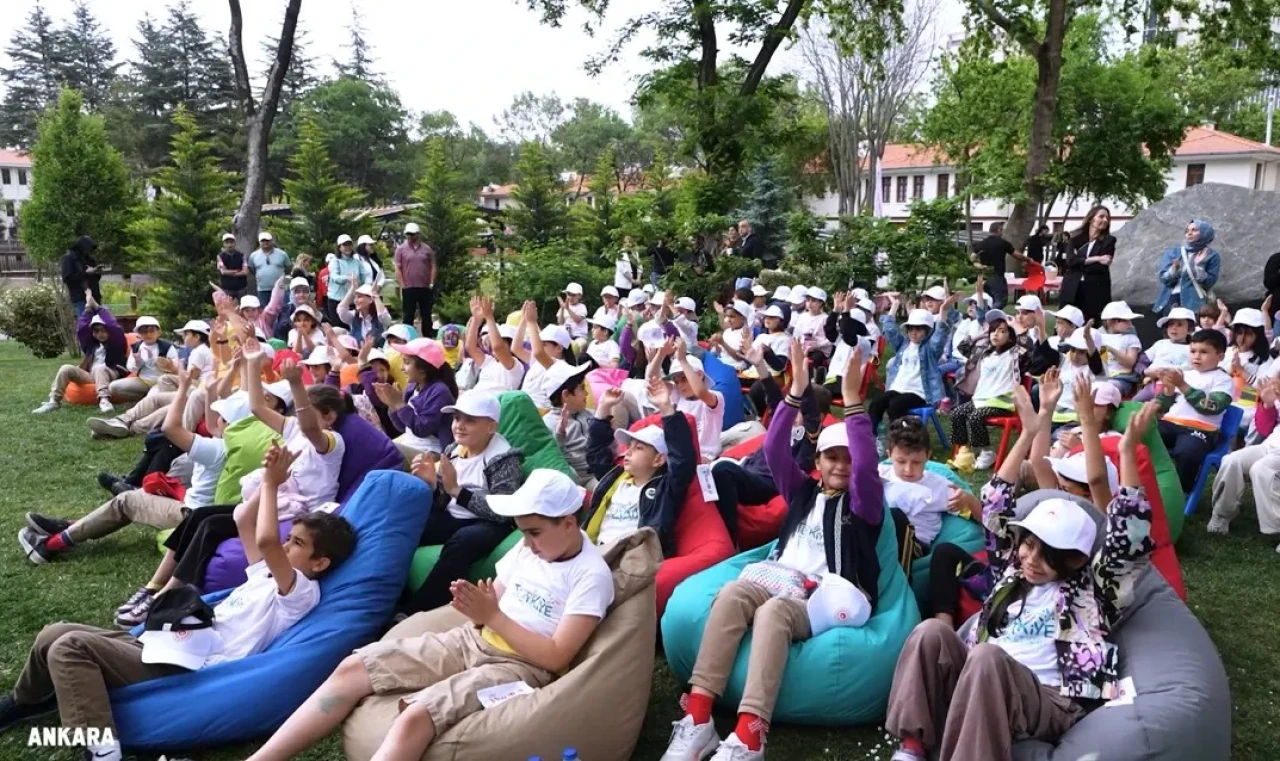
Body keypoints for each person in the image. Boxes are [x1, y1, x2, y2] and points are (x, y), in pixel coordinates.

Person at [0, 442, 355, 761]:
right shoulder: (265, 575)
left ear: (319, 563)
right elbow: (244, 519)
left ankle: (103, 752)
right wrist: (270, 474)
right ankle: (27, 702)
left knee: (69, 647)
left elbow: (265, 540)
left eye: (296, 543)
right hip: (173, 642)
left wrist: (272, 484)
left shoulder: (300, 592)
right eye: (288, 538)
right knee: (53, 632)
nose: (285, 544)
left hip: (192, 664)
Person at [245, 468, 609, 761]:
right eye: (523, 533)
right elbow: (493, 602)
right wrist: (476, 607)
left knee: (416, 717)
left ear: (568, 522)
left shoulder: (590, 575)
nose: (526, 543)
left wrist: (492, 616)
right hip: (472, 639)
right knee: (353, 667)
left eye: (534, 533)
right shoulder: (529, 551)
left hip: (519, 668)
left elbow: (558, 655)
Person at [884, 386, 1158, 761]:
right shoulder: (1014, 574)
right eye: (1027, 545)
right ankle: (913, 747)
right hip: (980, 683)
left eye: (1046, 556)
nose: (1029, 559)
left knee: (987, 658)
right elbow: (996, 500)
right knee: (930, 632)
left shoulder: (1091, 592)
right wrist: (1028, 434)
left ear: (1076, 560)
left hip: (1049, 698)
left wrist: (1126, 452)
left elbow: (1129, 538)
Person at [659, 348, 880, 761]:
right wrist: (793, 394)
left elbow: (866, 467)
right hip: (780, 578)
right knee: (730, 595)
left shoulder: (864, 504)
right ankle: (699, 717)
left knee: (774, 613)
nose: (842, 466)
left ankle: (750, 735)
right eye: (833, 457)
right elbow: (776, 449)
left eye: (848, 458)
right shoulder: (802, 491)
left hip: (824, 598)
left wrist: (853, 403)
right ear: (818, 461)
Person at [116, 347, 349, 627]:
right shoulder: (294, 428)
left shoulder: (331, 442)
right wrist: (250, 364)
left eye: (309, 411)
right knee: (201, 515)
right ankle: (154, 585)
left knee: (212, 526)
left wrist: (297, 384)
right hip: (274, 500)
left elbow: (312, 428)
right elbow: (258, 408)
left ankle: (166, 594)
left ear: (330, 416)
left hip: (298, 511)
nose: (301, 416)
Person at [22, 366, 227, 564]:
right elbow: (212, 425)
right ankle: (69, 526)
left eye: (223, 416)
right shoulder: (244, 443)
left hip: (198, 516)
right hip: (214, 512)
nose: (217, 418)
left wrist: (183, 389)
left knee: (127, 500)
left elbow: (171, 429)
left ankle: (50, 545)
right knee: (143, 486)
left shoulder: (217, 449)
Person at [398, 392, 524, 617]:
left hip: (488, 522)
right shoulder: (452, 450)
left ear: (491, 427)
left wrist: (457, 490)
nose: (460, 426)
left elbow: (504, 510)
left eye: (470, 420)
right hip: (454, 515)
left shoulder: (504, 458)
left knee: (462, 542)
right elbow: (442, 500)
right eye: (457, 418)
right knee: (407, 525)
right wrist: (432, 483)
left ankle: (416, 611)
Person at [710, 341, 830, 546]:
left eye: (797, 410)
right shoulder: (784, 425)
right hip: (747, 469)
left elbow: (810, 413)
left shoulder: (811, 438)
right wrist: (760, 365)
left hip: (767, 482)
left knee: (722, 471)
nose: (791, 414)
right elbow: (775, 400)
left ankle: (729, 541)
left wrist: (804, 383)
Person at [585, 379, 696, 552]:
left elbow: (682, 459)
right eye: (629, 446)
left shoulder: (665, 487)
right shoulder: (617, 478)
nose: (627, 452)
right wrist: (603, 409)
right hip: (598, 550)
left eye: (638, 448)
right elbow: (595, 453)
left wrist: (666, 407)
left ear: (658, 460)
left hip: (633, 555)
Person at [881, 416, 981, 566]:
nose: (908, 469)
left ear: (927, 456)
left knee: (896, 518)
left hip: (913, 544)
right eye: (901, 461)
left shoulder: (939, 487)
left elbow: (986, 518)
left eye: (916, 462)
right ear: (889, 456)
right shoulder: (879, 474)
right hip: (879, 537)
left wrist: (968, 500)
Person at [951, 312, 1037, 470]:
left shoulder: (1014, 355)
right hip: (981, 400)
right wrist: (983, 333)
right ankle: (964, 451)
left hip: (1002, 403)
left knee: (975, 417)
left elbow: (1028, 346)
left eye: (1002, 331)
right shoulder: (984, 354)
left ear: (1011, 337)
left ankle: (987, 452)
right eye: (994, 330)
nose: (996, 334)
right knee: (957, 413)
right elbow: (962, 347)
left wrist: (1016, 327)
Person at [1153, 329, 1234, 493]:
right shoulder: (1186, 374)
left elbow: (1212, 407)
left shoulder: (1223, 380)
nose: (1196, 356)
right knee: (1143, 434)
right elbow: (1163, 407)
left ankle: (1179, 492)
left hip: (1201, 429)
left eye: (1204, 352)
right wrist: (1168, 391)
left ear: (1220, 356)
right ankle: (1145, 482)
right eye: (1193, 351)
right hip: (1170, 422)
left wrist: (1182, 385)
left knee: (1188, 451)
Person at [1208, 375, 1280, 540]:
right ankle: (1222, 514)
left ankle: (1276, 526)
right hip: (1271, 445)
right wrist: (1268, 405)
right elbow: (1263, 429)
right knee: (1232, 460)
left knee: (1261, 469)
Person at [34, 294, 127, 415]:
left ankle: (104, 400)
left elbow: (113, 326)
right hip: (92, 375)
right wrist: (88, 309)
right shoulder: (91, 345)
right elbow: (81, 329)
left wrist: (97, 307)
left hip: (111, 372)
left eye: (104, 330)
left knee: (99, 368)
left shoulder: (117, 341)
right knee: (65, 368)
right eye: (97, 331)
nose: (100, 334)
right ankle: (54, 401)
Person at [873, 300, 954, 431]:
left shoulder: (930, 349)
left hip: (919, 393)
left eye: (919, 329)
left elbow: (940, 336)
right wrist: (894, 307)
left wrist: (943, 311)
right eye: (911, 328)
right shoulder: (903, 345)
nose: (913, 332)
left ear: (927, 331)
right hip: (898, 388)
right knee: (877, 402)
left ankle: (900, 438)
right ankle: (875, 435)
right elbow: (890, 331)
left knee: (895, 405)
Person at [375, 338, 457, 462]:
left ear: (423, 371)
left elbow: (422, 429)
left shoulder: (439, 392)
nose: (402, 368)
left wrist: (400, 405)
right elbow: (404, 427)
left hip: (430, 451)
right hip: (411, 443)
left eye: (406, 363)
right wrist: (392, 405)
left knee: (385, 451)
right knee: (376, 445)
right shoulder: (412, 387)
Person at [649, 339, 726, 462]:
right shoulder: (679, 395)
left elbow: (700, 392)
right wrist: (660, 354)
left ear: (699, 375)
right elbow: (652, 381)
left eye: (684, 378)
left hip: (706, 456)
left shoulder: (715, 396)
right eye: (676, 381)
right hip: (681, 453)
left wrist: (682, 360)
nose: (680, 385)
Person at [1059, 206, 1117, 324]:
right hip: (1072, 286)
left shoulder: (1109, 241)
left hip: (1095, 289)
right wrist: (1097, 258)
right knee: (1067, 321)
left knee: (1091, 324)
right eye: (1101, 216)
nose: (1105, 220)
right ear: (1091, 219)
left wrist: (1080, 260)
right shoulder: (1075, 239)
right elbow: (1070, 261)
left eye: (1107, 218)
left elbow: (1100, 266)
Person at [1153, 220, 1221, 316]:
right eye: (1187, 230)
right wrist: (1174, 269)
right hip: (1173, 299)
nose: (1189, 233)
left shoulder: (1212, 255)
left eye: (1194, 230)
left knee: (1192, 329)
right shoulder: (1174, 252)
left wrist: (1198, 266)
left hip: (1195, 302)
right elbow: (1164, 279)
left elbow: (1209, 282)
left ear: (1204, 232)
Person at [461, 296, 525, 396]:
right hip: (475, 399)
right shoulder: (489, 362)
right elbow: (470, 347)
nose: (492, 343)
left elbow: (498, 348)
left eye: (502, 341)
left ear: (511, 344)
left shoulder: (516, 365)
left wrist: (489, 317)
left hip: (493, 406)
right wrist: (476, 320)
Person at [543, 362, 594, 486]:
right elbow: (556, 459)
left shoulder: (587, 413)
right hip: (586, 479)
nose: (587, 393)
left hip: (604, 467)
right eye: (582, 388)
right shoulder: (549, 424)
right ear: (566, 395)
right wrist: (560, 434)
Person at [108, 316, 179, 405]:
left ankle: (152, 397)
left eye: (152, 331)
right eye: (144, 332)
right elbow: (130, 367)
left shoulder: (167, 347)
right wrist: (138, 363)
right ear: (139, 334)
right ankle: (141, 396)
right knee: (113, 387)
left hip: (160, 382)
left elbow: (176, 367)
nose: (148, 334)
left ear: (159, 332)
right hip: (143, 381)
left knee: (150, 401)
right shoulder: (136, 347)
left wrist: (168, 365)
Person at [395, 222, 437, 336]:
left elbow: (433, 265)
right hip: (409, 287)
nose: (410, 237)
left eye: (412, 234)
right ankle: (407, 336)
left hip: (424, 286)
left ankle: (427, 336)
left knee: (426, 314)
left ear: (418, 234)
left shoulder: (426, 249)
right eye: (408, 234)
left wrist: (431, 282)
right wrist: (402, 285)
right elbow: (398, 268)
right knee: (408, 314)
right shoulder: (401, 249)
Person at [1097, 301, 1144, 397]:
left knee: (1107, 389)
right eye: (1126, 321)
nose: (1130, 324)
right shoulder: (1097, 336)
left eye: (1130, 321)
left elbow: (1130, 362)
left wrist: (1111, 350)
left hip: (1121, 379)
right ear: (1111, 321)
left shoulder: (1131, 338)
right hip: (1099, 377)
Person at [972, 223, 1022, 310]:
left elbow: (972, 258)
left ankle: (987, 315)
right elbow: (1017, 255)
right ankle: (991, 316)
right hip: (997, 276)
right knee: (1001, 300)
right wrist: (1029, 260)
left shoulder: (981, 244)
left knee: (989, 299)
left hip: (984, 277)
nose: (1002, 232)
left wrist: (980, 266)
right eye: (1002, 230)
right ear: (998, 230)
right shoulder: (1002, 243)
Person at [326, 234, 365, 328]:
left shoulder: (357, 262)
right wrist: (347, 278)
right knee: (339, 329)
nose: (347, 247)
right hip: (336, 300)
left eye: (349, 244)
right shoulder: (335, 261)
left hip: (352, 301)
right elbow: (334, 277)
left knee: (354, 327)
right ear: (339, 247)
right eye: (344, 245)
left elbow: (363, 277)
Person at [60, 236, 103, 316]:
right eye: (87, 249)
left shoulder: (90, 259)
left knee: (97, 324)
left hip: (95, 296)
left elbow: (95, 279)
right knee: (85, 324)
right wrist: (85, 273)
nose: (88, 251)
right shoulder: (70, 258)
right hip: (80, 297)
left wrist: (97, 273)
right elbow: (67, 278)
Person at [248, 232, 290, 307]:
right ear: (259, 242)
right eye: (263, 241)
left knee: (281, 309)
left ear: (272, 241)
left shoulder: (282, 254)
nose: (265, 242)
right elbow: (252, 269)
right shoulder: (253, 256)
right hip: (263, 289)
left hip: (280, 288)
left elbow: (288, 269)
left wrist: (285, 285)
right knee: (265, 311)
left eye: (267, 240)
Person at [217, 232, 249, 298]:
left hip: (241, 289)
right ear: (223, 244)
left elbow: (245, 272)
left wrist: (229, 272)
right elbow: (223, 272)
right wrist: (238, 271)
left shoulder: (243, 256)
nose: (229, 245)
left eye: (231, 242)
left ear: (235, 243)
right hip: (227, 290)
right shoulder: (220, 257)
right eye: (227, 242)